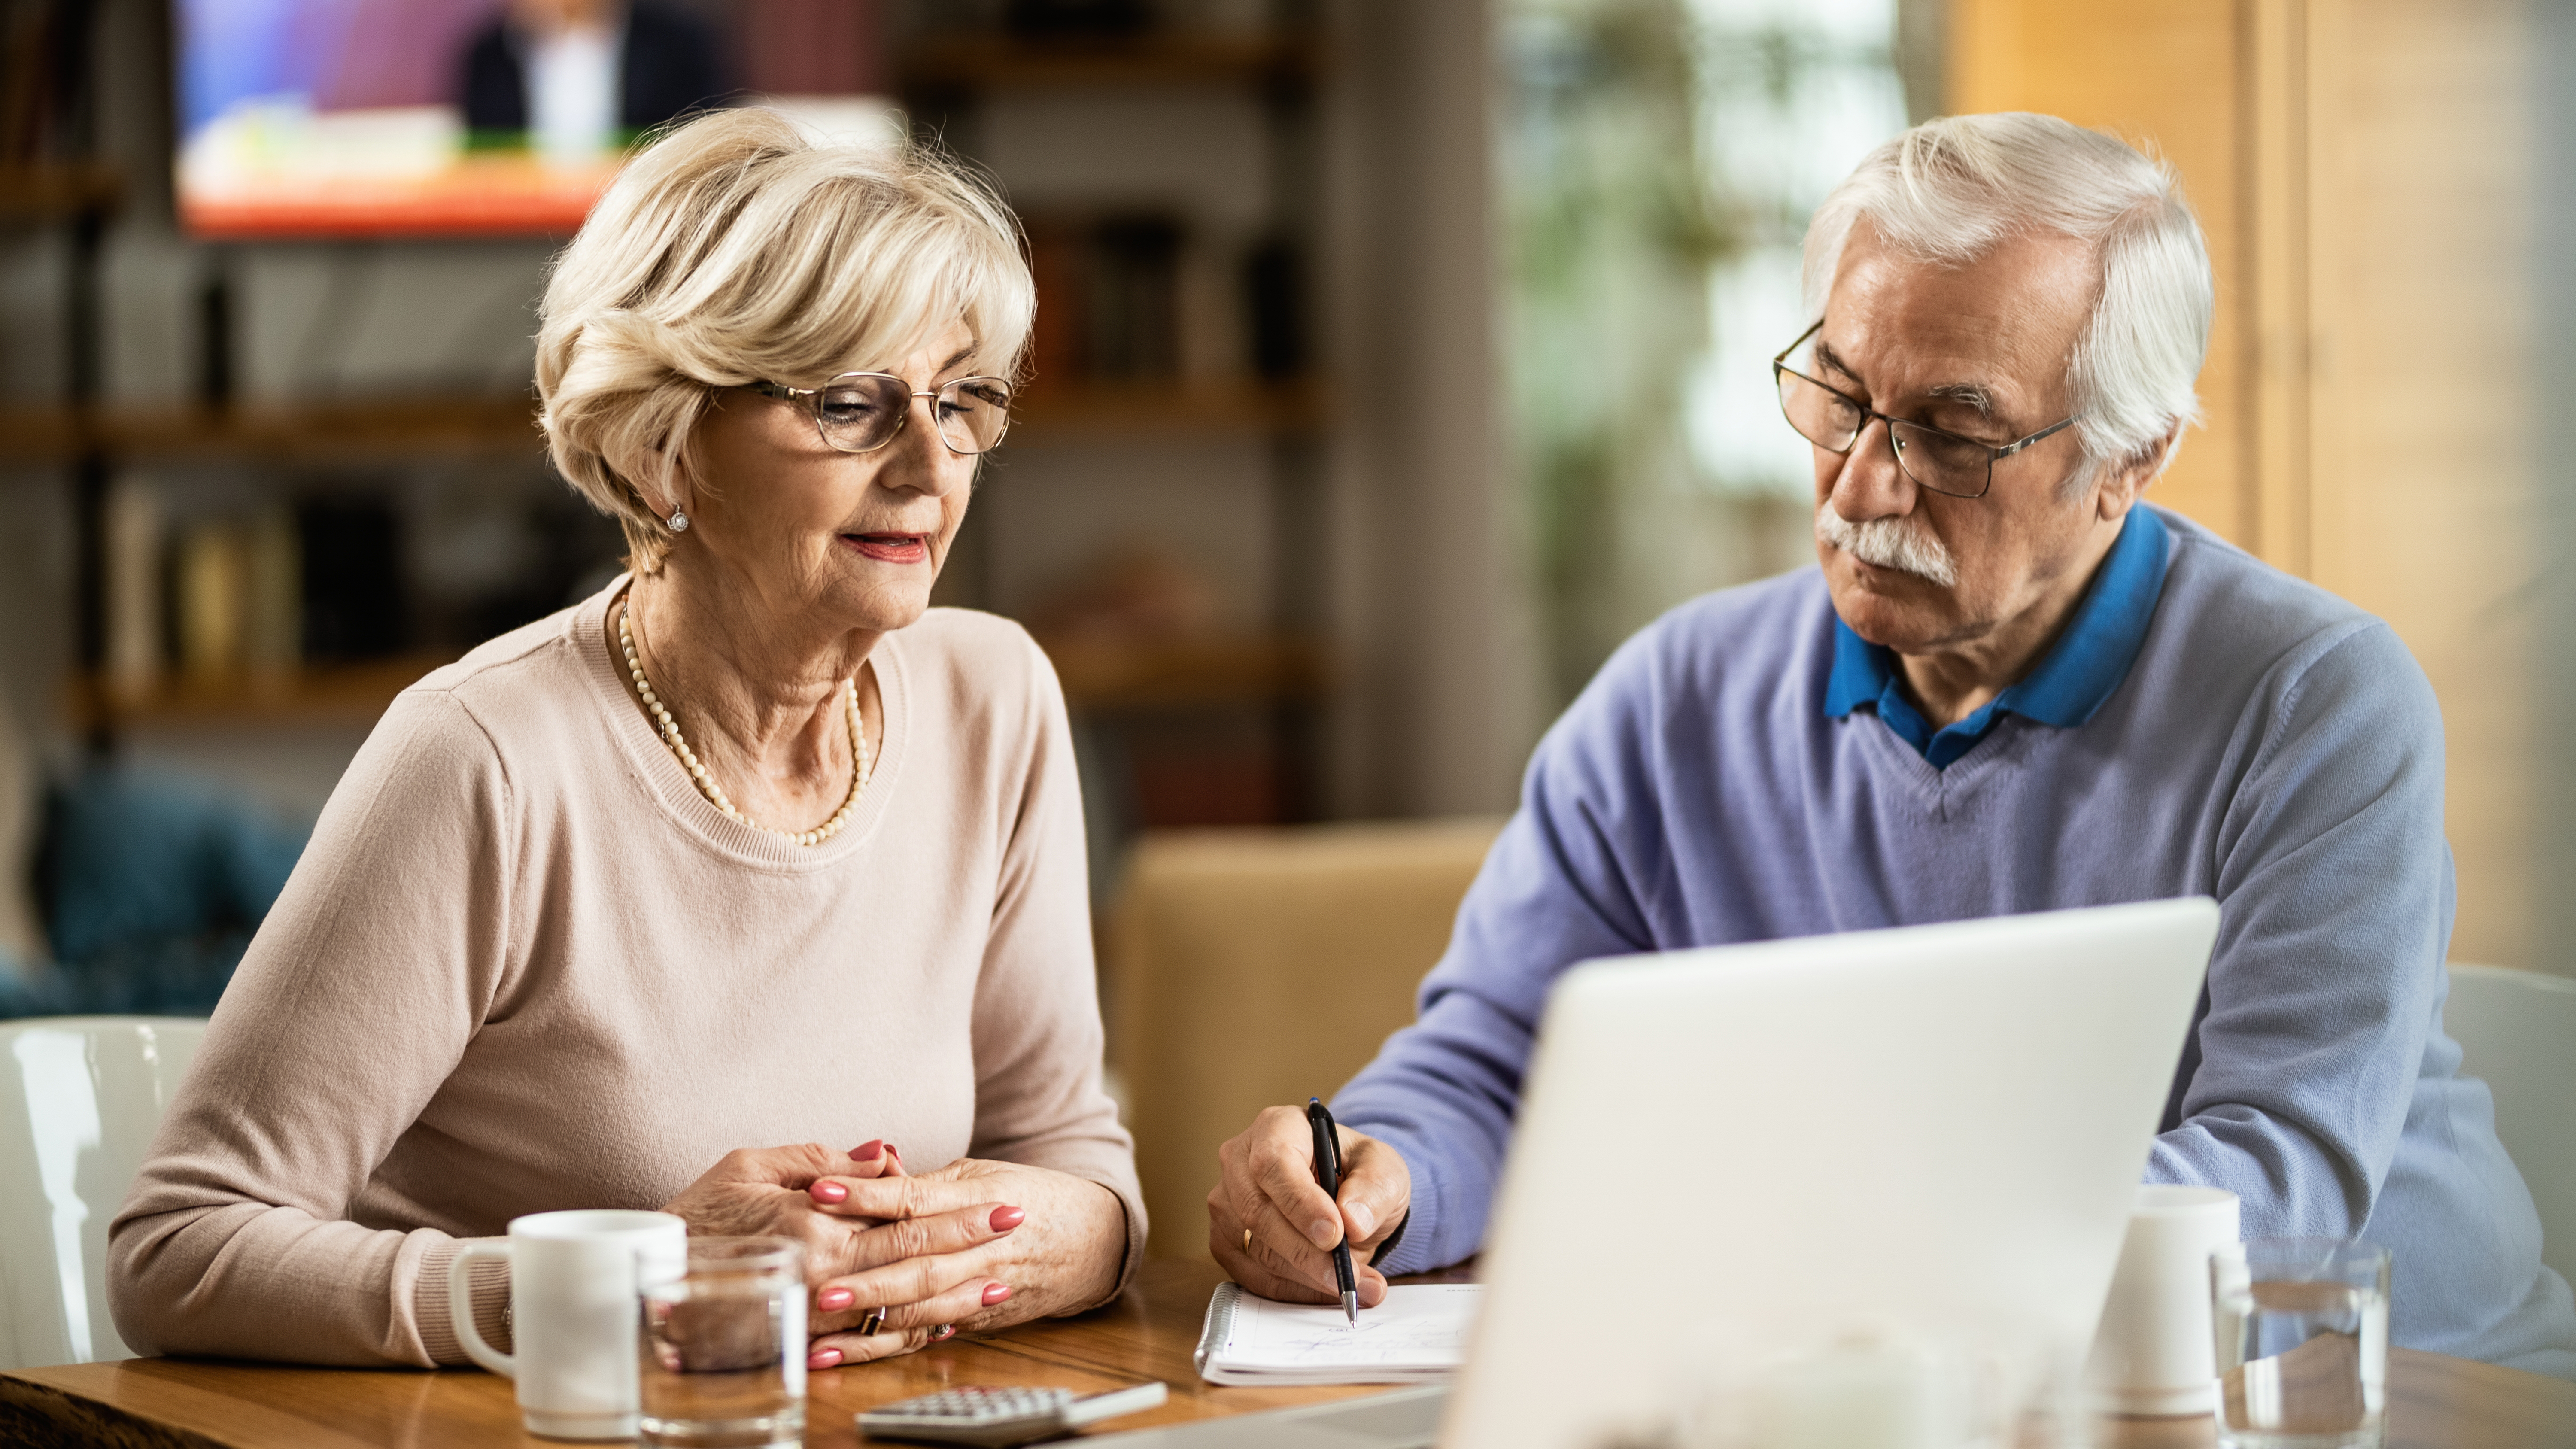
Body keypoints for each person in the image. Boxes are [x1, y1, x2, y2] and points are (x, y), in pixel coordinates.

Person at [1209, 112, 2576, 1379]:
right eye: (1841, 393)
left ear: (2130, 457)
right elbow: (1503, 1056)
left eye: (1952, 432)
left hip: (2391, 1384)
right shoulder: (1673, 700)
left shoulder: (2317, 701)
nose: (1862, 482)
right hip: (1928, 1381)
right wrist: (1379, 1174)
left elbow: (2272, 1184)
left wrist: (1828, 1245)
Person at [109, 108, 1141, 1372]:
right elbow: (179, 1250)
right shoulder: (482, 758)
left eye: (958, 399)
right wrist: (627, 1277)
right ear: (664, 448)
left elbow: (1073, 1162)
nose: (932, 464)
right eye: (851, 403)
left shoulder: (999, 701)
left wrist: (1051, 1238)